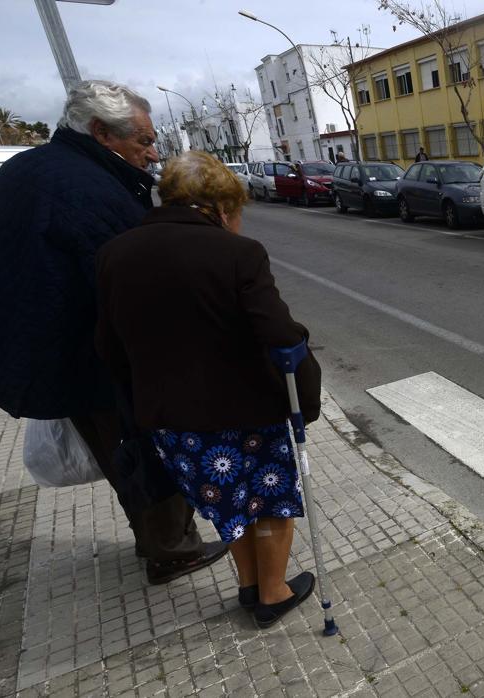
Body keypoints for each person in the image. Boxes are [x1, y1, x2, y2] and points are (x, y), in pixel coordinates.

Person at [0, 80, 227, 585]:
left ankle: (156, 541)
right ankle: (173, 548)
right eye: (143, 141)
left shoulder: (23, 172)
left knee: (120, 453)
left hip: (50, 350)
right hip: (102, 355)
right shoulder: (90, 189)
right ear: (101, 132)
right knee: (146, 451)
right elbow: (136, 286)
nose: (152, 152)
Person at [95, 151, 322, 628]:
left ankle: (247, 587)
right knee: (270, 501)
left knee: (229, 504)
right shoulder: (238, 253)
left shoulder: (115, 253)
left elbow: (109, 346)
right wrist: (307, 396)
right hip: (246, 412)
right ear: (221, 207)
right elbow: (280, 336)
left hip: (173, 421)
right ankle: (274, 592)